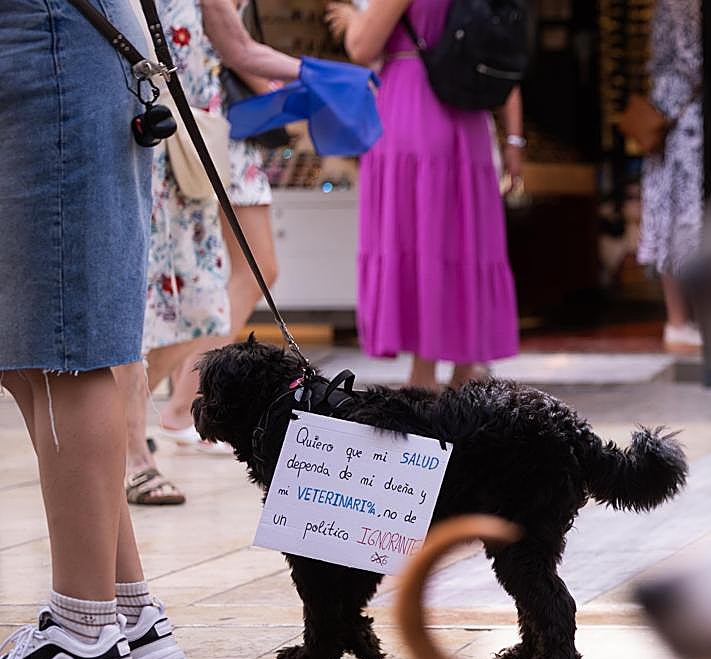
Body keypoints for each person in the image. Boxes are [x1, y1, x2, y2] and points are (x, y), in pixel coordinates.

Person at [0, 0, 188, 659]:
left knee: (63, 344)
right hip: (46, 40)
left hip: (48, 37)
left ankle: (83, 635)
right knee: (29, 346)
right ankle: (126, 612)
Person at [119, 0, 299, 503]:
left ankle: (120, 423)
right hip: (156, 146)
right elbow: (234, 47)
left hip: (195, 148)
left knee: (203, 308)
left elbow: (228, 49)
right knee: (151, 312)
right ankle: (131, 450)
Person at [326, 0, 520, 389]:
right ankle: (466, 366)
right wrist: (515, 138)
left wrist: (349, 19)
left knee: (420, 236)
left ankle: (423, 374)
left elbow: (363, 46)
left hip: (414, 104)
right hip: (469, 116)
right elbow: (504, 53)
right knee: (464, 238)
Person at [638, 0, 703, 354]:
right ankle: (680, 321)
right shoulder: (684, 5)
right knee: (684, 221)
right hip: (684, 124)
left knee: (674, 221)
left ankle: (679, 321)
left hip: (671, 117)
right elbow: (694, 60)